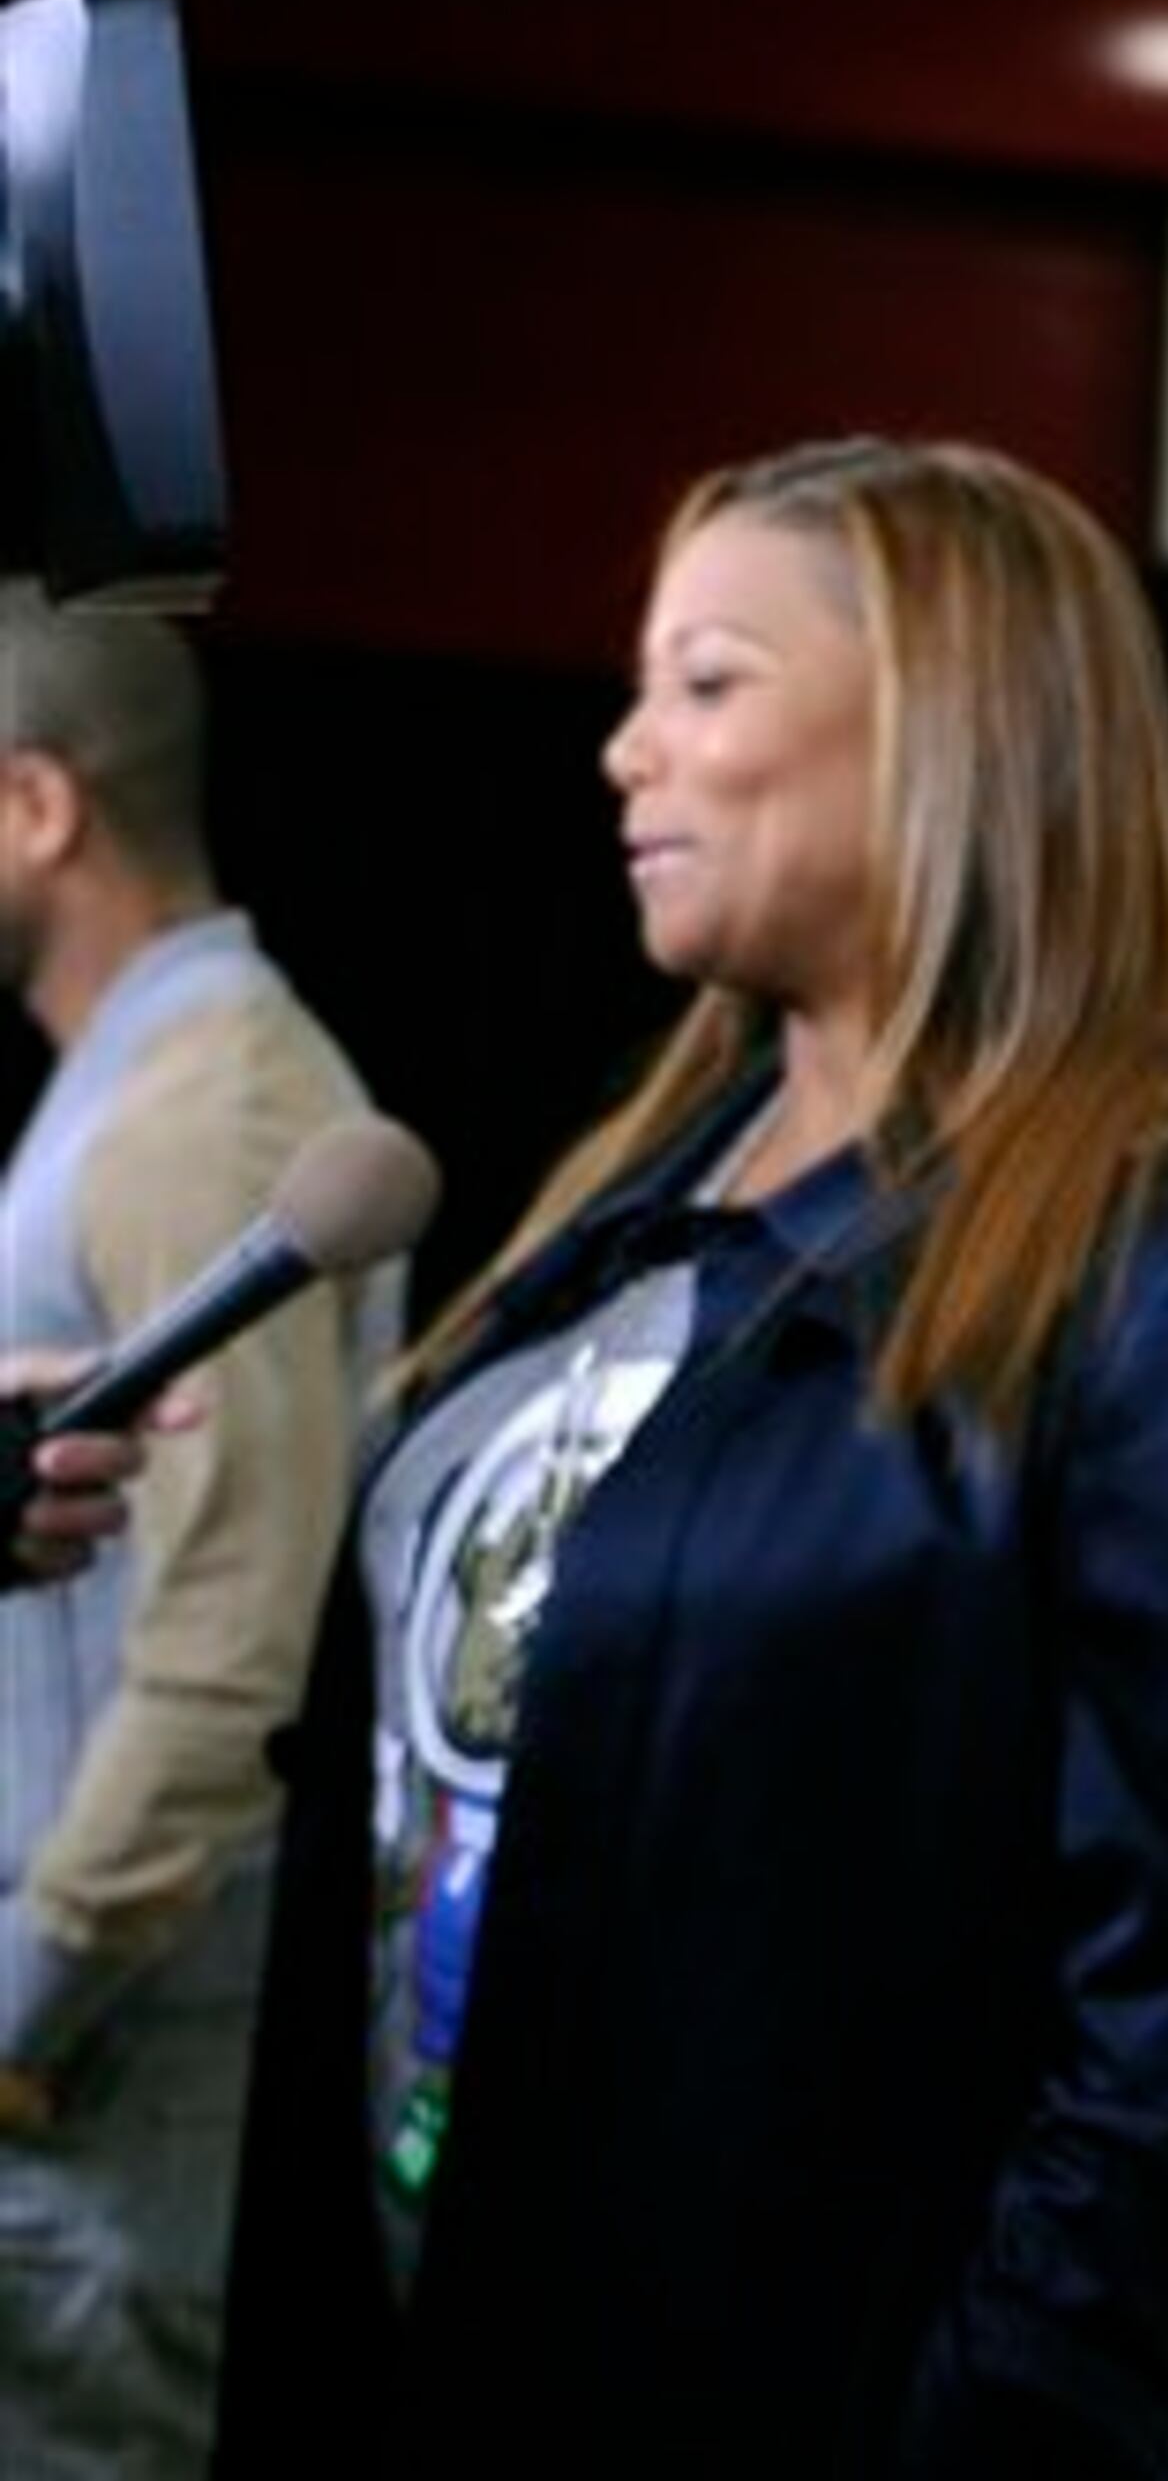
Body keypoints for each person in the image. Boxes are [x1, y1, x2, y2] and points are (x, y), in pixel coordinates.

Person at [212, 439, 1168, 2478]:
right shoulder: (625, 1208)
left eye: (708, 684)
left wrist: (973, 2427)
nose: (625, 751)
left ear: (951, 735)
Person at [0, 584, 400, 2477]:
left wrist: (22, 1999)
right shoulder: (129, 1091)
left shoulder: (202, 1108)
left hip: (97, 2091)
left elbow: (239, 1635)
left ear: (38, 808)